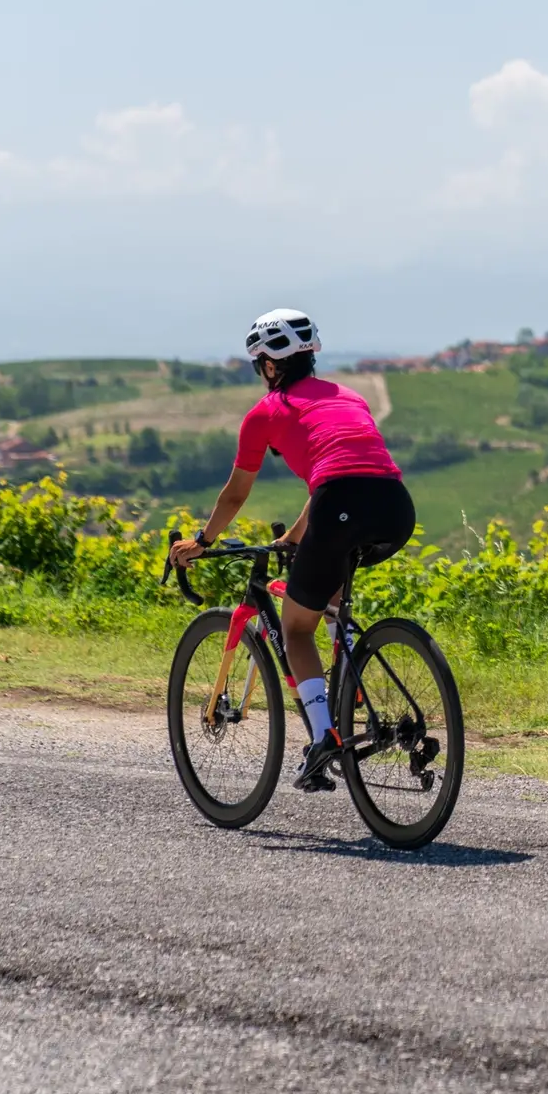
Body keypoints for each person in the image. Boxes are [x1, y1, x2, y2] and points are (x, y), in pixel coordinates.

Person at [170, 308, 413, 791]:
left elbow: (236, 494)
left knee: (294, 628)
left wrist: (203, 540)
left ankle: (324, 737)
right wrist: (296, 537)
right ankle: (352, 691)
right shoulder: (350, 396)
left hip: (339, 506)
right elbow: (336, 481)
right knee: (331, 600)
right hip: (395, 507)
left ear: (270, 365)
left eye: (259, 364)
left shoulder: (265, 414)